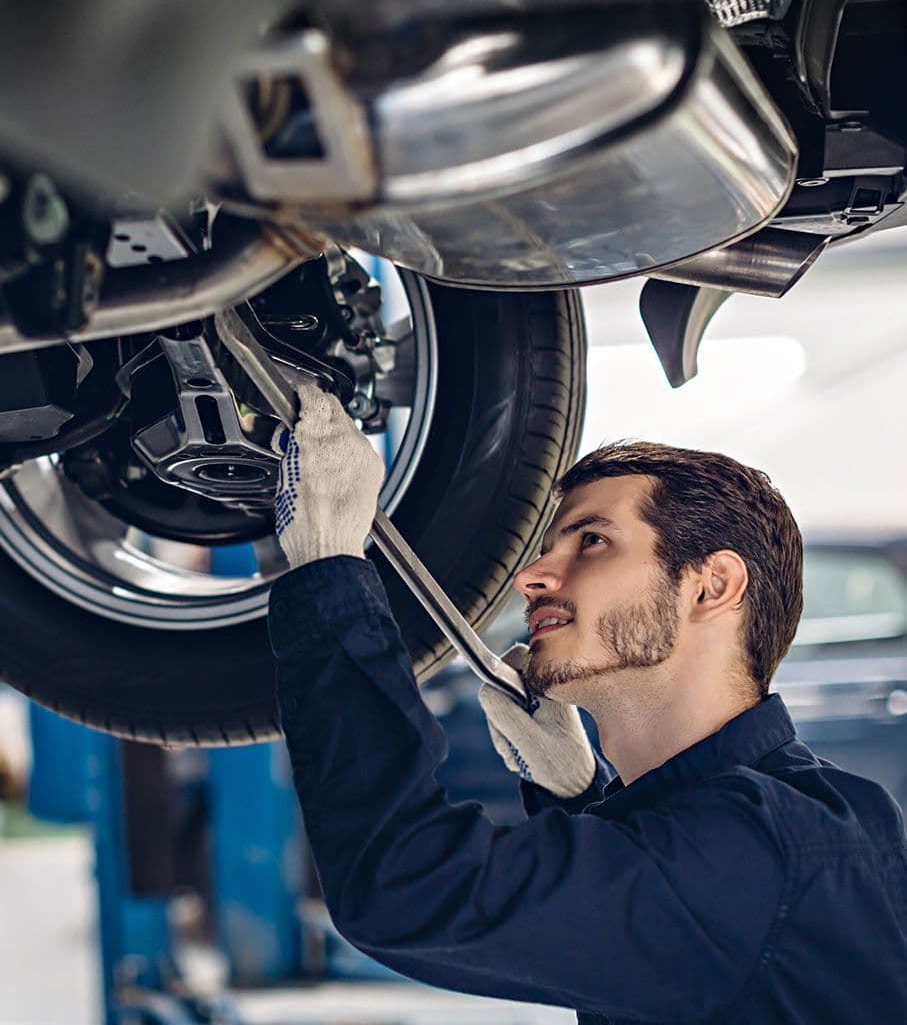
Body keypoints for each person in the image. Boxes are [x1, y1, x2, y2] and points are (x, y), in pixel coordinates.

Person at [268, 386, 907, 1025]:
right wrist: (579, 795)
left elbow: (405, 888)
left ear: (712, 586)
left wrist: (329, 567)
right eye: (548, 547)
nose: (533, 575)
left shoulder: (760, 849)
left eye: (592, 541)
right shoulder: (816, 817)